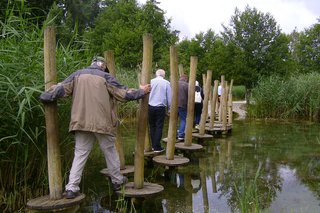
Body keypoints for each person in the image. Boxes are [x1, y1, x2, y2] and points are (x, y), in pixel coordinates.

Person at [39, 56, 151, 199]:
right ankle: (117, 181)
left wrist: (45, 96)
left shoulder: (77, 75)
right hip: (102, 123)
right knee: (110, 152)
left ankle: (71, 188)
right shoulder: (106, 76)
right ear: (103, 66)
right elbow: (124, 94)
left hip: (81, 122)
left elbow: (60, 89)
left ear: (91, 64)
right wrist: (142, 91)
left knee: (80, 154)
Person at [148, 69, 171, 152]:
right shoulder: (167, 83)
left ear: (156, 74)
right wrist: (169, 109)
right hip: (160, 107)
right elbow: (169, 97)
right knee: (159, 126)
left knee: (152, 126)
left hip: (150, 106)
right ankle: (157, 146)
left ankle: (153, 145)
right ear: (163, 75)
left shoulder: (150, 81)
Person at [177, 74, 188, 140]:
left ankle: (173, 134)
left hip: (173, 105)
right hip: (183, 105)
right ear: (186, 79)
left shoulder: (173, 83)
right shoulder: (187, 85)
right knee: (183, 120)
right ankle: (181, 134)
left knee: (173, 120)